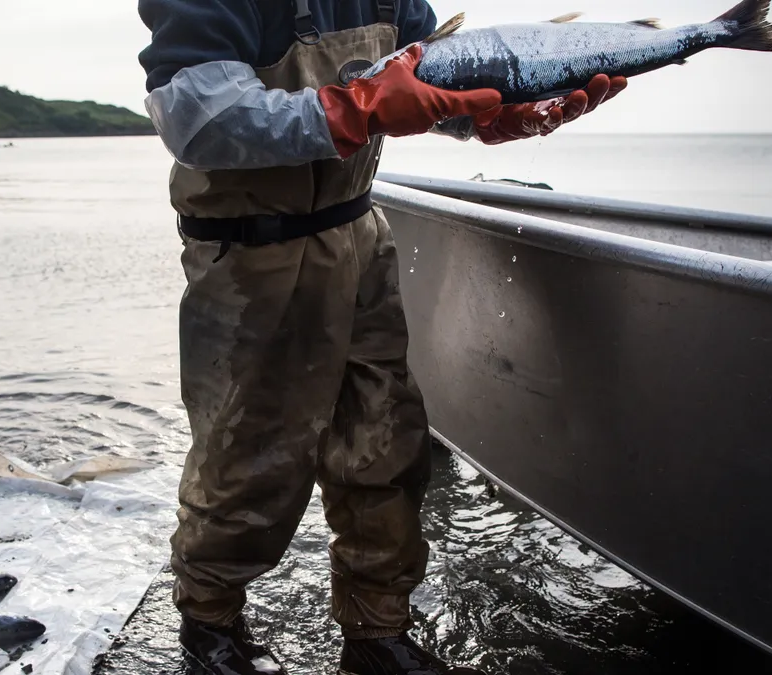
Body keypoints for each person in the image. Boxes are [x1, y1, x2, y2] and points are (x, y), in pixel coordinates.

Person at [136, 1, 626, 673]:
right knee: (248, 457)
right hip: (252, 253)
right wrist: (355, 108)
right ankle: (209, 620)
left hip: (359, 234)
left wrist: (491, 112)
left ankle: (376, 632)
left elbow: (428, 81)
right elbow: (195, 115)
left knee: (386, 442)